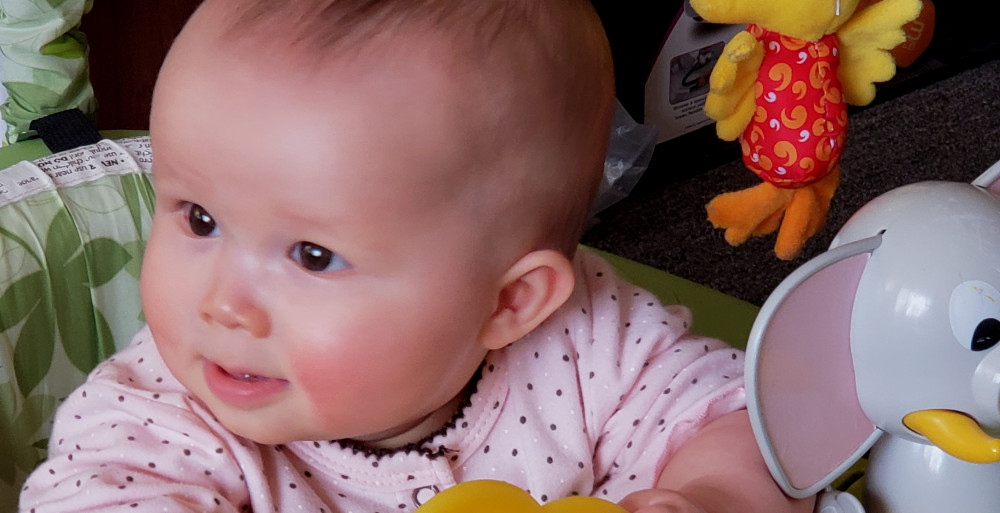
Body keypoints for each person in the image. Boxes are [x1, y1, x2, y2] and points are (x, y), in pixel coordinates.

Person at [19, 1, 814, 512]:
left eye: (312, 255)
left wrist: (707, 494)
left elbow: (748, 417)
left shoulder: (590, 345)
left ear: (509, 304)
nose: (223, 304)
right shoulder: (156, 424)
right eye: (198, 217)